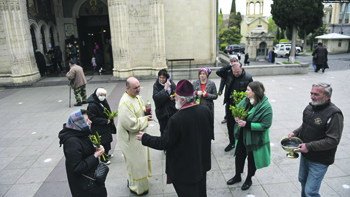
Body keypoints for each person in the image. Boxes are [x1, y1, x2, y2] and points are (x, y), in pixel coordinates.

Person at [136, 79, 214, 197]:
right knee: (201, 192)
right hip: (201, 163)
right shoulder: (205, 110)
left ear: (183, 100)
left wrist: (145, 138)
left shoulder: (176, 119)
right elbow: (209, 134)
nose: (174, 99)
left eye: (176, 97)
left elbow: (164, 143)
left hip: (185, 170)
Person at [287, 83, 343, 197]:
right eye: (311, 93)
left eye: (316, 94)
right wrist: (295, 133)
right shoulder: (310, 107)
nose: (312, 97)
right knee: (302, 181)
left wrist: (309, 146)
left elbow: (333, 140)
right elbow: (305, 125)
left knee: (311, 192)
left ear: (327, 96)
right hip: (306, 155)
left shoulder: (334, 114)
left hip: (320, 160)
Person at [226, 81, 272, 191]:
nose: (245, 91)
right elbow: (237, 110)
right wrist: (236, 117)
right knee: (239, 157)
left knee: (252, 160)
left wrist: (247, 124)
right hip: (242, 136)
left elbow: (265, 125)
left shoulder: (266, 107)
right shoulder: (246, 100)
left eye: (248, 90)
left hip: (254, 139)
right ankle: (237, 176)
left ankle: (248, 179)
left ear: (255, 92)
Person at [117, 77, 153, 195]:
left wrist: (146, 112)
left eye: (139, 86)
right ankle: (139, 188)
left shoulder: (135, 97)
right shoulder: (125, 103)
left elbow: (139, 110)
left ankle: (132, 181)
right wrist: (146, 119)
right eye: (135, 88)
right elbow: (131, 124)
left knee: (138, 162)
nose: (138, 90)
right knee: (137, 164)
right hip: (130, 139)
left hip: (137, 137)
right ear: (127, 88)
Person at [58, 109, 107, 197]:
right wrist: (95, 156)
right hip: (86, 187)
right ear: (79, 123)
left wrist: (95, 149)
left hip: (91, 183)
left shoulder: (80, 132)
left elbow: (84, 151)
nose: (90, 121)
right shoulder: (72, 142)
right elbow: (76, 167)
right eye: (87, 120)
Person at [216, 62, 253, 152]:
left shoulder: (248, 77)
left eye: (237, 72)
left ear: (242, 69)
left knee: (241, 125)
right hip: (230, 105)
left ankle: (242, 143)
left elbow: (253, 90)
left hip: (243, 106)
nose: (236, 74)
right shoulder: (229, 74)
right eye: (234, 72)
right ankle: (232, 142)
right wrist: (230, 65)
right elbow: (218, 72)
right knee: (230, 125)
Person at [87, 88, 117, 165]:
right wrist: (105, 121)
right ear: (97, 95)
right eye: (101, 95)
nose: (102, 96)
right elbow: (92, 118)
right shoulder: (92, 105)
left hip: (105, 126)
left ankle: (106, 154)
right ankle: (103, 158)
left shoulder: (102, 101)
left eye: (103, 95)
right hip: (99, 128)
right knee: (102, 143)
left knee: (107, 142)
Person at [152, 69, 177, 136]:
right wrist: (165, 89)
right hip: (162, 113)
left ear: (166, 78)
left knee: (172, 131)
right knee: (164, 131)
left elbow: (176, 93)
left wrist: (173, 96)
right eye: (160, 77)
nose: (161, 79)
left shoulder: (172, 84)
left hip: (171, 111)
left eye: (163, 77)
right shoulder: (156, 85)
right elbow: (157, 99)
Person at [218, 58, 239, 124]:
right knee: (228, 105)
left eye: (234, 61)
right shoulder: (227, 70)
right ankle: (226, 117)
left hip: (237, 90)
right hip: (229, 91)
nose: (233, 62)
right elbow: (222, 81)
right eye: (231, 61)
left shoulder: (239, 69)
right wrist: (220, 90)